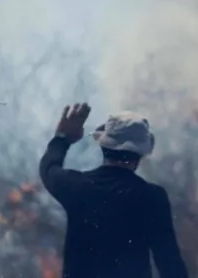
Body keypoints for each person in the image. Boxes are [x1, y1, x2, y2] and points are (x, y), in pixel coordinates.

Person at [39, 103, 189, 278]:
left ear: (104, 147)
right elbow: (169, 261)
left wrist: (62, 138)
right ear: (139, 154)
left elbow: (48, 169)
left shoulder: (77, 186)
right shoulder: (151, 197)